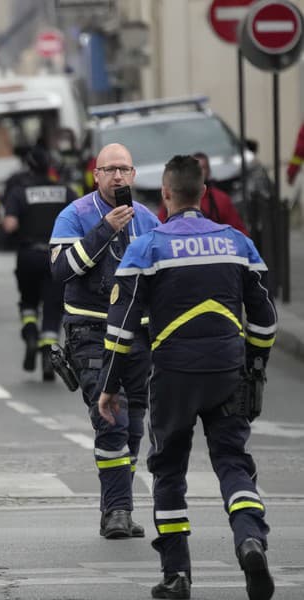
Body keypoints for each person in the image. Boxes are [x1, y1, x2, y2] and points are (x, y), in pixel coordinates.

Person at [98, 155, 276, 600]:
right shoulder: (237, 243)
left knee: (169, 469)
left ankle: (177, 575)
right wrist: (253, 368)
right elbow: (266, 320)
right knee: (234, 463)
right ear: (204, 192)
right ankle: (250, 539)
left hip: (174, 374)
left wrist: (109, 386)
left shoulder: (148, 247)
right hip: (227, 369)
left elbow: (121, 330)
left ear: (165, 195)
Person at [49, 143, 160, 539]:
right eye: (109, 169)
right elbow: (62, 270)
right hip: (91, 331)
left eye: (124, 169)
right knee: (110, 419)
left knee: (132, 427)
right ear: (95, 175)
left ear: (133, 175)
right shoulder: (75, 215)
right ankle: (117, 510)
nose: (117, 177)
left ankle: (119, 509)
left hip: (139, 334)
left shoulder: (148, 218)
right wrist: (104, 230)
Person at [3, 146, 77, 380]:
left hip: (28, 255)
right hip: (57, 257)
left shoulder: (19, 192)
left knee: (29, 302)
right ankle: (48, 355)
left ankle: (30, 331)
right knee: (53, 307)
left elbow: (10, 225)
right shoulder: (66, 192)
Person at [157, 152, 248, 235]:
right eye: (195, 169)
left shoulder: (221, 199)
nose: (200, 172)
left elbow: (239, 230)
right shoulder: (171, 198)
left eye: (203, 168)